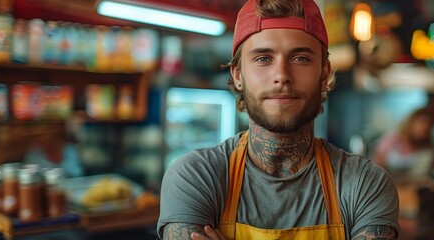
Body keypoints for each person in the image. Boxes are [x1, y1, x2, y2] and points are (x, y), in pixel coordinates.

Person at [157, 0, 400, 239]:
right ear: (238, 75)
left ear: (324, 74)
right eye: (263, 58)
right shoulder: (196, 176)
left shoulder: (366, 184)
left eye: (300, 58)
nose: (282, 76)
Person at [372, 107, 434, 182]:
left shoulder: (426, 149)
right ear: (411, 122)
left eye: (429, 124)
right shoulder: (393, 139)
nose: (425, 127)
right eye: (422, 122)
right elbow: (376, 164)